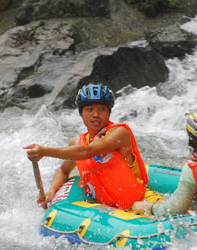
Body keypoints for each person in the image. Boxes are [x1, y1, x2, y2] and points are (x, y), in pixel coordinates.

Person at [24, 83, 163, 209]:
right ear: (81, 113)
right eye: (89, 109)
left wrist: (44, 151)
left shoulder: (120, 133)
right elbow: (63, 171)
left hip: (143, 202)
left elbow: (87, 152)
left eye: (102, 109)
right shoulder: (77, 142)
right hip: (111, 211)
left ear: (109, 112)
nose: (96, 115)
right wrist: (52, 191)